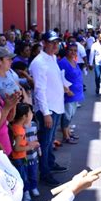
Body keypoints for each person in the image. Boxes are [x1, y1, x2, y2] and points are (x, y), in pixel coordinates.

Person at [29, 31, 71, 186]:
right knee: (45, 142)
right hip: (48, 109)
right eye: (52, 42)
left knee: (50, 141)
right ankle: (45, 173)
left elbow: (57, 77)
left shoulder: (52, 58)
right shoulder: (39, 62)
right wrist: (46, 113)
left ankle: (50, 163)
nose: (55, 45)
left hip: (56, 106)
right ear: (44, 43)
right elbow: (39, 90)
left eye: (57, 42)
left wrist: (65, 87)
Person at [9, 103, 39, 201]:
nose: (32, 114)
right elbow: (16, 148)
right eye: (30, 113)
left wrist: (28, 143)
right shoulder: (20, 130)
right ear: (24, 116)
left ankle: (24, 200)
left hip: (20, 158)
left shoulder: (18, 127)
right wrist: (30, 146)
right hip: (18, 159)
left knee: (23, 178)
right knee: (21, 180)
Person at [58, 42, 83, 144]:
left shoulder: (74, 61)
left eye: (75, 51)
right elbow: (59, 78)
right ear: (66, 50)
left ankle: (68, 132)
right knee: (67, 116)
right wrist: (67, 90)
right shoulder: (62, 63)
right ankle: (66, 136)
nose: (73, 52)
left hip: (76, 94)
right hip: (69, 94)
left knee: (71, 115)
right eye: (71, 50)